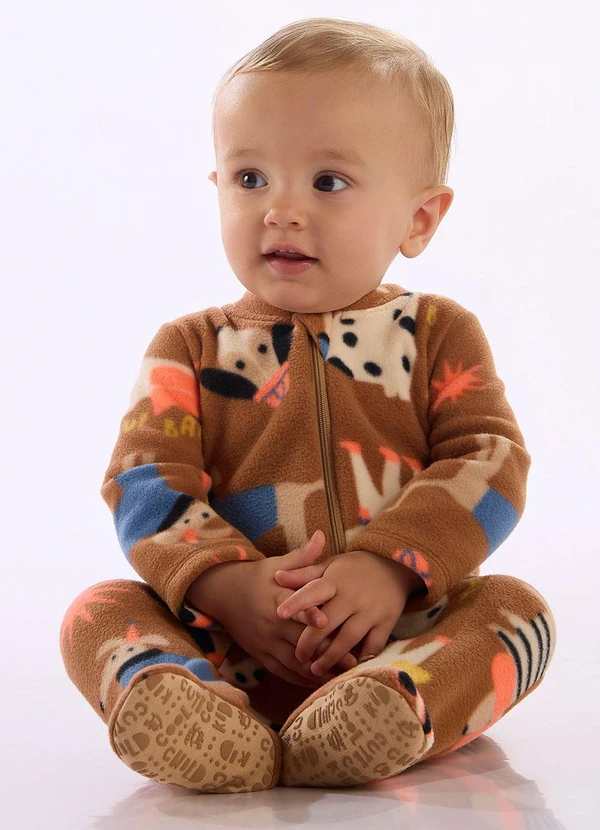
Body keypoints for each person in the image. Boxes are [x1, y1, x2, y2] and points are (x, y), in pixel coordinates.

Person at [60, 17, 556, 793]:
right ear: (218, 188)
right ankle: (195, 710)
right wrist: (225, 585)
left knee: (517, 612)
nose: (280, 210)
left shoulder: (437, 334)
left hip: (401, 637)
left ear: (419, 218)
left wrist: (388, 568)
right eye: (250, 178)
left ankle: (387, 711)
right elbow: (144, 481)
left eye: (327, 182)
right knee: (96, 612)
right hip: (229, 645)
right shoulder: (190, 347)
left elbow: (490, 462)